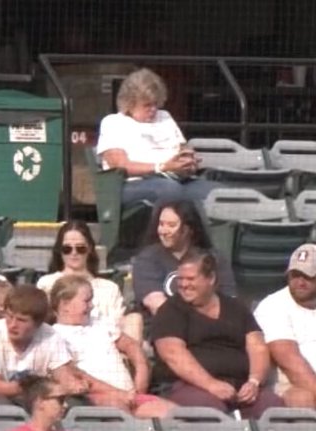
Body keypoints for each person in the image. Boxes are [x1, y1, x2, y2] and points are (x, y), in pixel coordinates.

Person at [151, 250, 284, 417]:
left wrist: (254, 382)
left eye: (190, 279)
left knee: (273, 409)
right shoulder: (170, 310)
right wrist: (211, 384)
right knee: (209, 412)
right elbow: (173, 354)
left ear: (211, 279)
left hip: (240, 386)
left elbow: (257, 346)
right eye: (180, 279)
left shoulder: (236, 308)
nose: (183, 284)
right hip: (189, 386)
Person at [49, 274, 170, 418]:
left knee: (174, 415)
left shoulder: (99, 322)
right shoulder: (56, 336)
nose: (92, 305)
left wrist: (141, 368)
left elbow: (131, 346)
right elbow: (78, 375)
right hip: (96, 398)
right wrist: (119, 394)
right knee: (119, 413)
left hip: (131, 395)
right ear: (65, 305)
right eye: (86, 301)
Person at [94, 67, 216, 208]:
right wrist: (162, 167)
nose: (153, 109)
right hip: (132, 184)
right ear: (130, 103)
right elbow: (120, 166)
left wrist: (187, 162)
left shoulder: (164, 117)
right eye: (147, 105)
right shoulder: (114, 123)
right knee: (170, 190)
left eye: (155, 104)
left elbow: (182, 149)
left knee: (214, 191)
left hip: (175, 179)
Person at [0, 284, 86, 404]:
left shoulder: (50, 336)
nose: (12, 325)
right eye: (9, 316)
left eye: (21, 320)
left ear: (37, 324)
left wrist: (73, 385)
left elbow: (63, 377)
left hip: (36, 399)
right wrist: (37, 388)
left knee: (74, 403)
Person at [132, 200, 235, 316]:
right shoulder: (148, 259)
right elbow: (155, 303)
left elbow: (229, 301)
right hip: (164, 327)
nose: (163, 231)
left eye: (171, 225)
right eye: (161, 224)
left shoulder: (214, 259)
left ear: (188, 229)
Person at [37, 220, 135, 338]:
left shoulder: (109, 288)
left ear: (89, 249)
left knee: (134, 321)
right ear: (60, 251)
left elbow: (117, 326)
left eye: (80, 248)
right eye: (67, 249)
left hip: (103, 343)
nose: (74, 253)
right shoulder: (47, 283)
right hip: (61, 344)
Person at [253, 244, 316, 408]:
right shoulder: (273, 306)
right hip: (289, 381)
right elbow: (290, 362)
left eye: (308, 276)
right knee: (302, 398)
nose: (300, 282)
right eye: (295, 275)